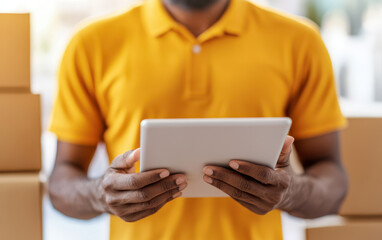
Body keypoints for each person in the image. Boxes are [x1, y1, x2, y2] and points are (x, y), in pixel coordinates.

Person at [48, 0, 348, 239]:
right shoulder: (92, 43)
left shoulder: (299, 41)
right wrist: (99, 195)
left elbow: (333, 183)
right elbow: (61, 184)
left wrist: (290, 193)